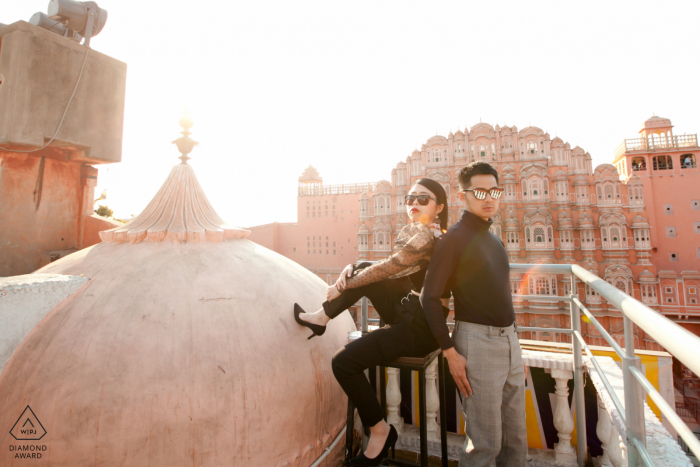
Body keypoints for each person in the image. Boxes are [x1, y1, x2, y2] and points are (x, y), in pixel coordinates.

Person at [294, 178, 451, 467]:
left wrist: (344, 284)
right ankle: (322, 317)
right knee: (365, 266)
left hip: (420, 329)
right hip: (410, 312)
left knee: (343, 363)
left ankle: (381, 431)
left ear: (439, 207)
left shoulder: (427, 237)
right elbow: (390, 271)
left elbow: (389, 267)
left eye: (423, 199)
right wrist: (354, 270)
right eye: (410, 198)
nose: (414, 203)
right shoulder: (427, 234)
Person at [420, 161, 527, 467]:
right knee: (485, 444)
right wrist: (450, 352)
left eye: (494, 190)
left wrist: (512, 342)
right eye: (479, 191)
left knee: (516, 440)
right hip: (476, 342)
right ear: (462, 195)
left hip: (510, 342)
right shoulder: (452, 239)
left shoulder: (494, 239)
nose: (488, 197)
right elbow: (430, 297)